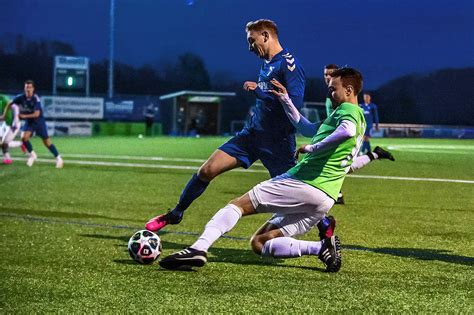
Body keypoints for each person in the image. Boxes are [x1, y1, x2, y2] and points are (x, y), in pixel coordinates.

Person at [159, 67, 366, 272]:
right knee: (260, 242)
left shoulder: (348, 111)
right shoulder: (355, 117)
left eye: (333, 89)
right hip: (325, 198)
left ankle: (198, 248)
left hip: (305, 182)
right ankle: (322, 247)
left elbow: (346, 131)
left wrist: (313, 147)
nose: (329, 93)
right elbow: (306, 128)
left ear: (349, 90)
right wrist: (285, 99)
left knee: (237, 205)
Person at [145, 19, 335, 239]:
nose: (249, 48)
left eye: (251, 41)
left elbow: (295, 104)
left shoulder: (289, 65)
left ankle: (324, 223)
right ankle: (176, 212)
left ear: (266, 35)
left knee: (294, 194)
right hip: (251, 135)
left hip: (278, 143)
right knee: (207, 170)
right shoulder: (266, 63)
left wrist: (259, 92)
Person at [322, 65, 394, 204]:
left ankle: (334, 196)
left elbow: (347, 119)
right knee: (344, 166)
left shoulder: (340, 95)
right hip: (333, 132)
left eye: (331, 74)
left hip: (341, 133)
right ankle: (375, 154)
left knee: (334, 165)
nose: (327, 77)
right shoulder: (331, 94)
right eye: (325, 74)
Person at [9, 80, 63, 168]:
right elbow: (10, 103)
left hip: (39, 122)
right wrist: (7, 113)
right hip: (29, 122)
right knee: (24, 137)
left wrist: (23, 115)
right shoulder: (20, 97)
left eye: (30, 87)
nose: (28, 89)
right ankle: (32, 155)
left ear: (33, 89)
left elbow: (36, 114)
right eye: (26, 87)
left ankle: (59, 158)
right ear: (24, 88)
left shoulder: (36, 98)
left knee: (47, 143)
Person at [0, 94, 23, 164]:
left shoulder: (4, 99)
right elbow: (3, 116)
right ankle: (8, 158)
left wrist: (16, 120)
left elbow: (15, 107)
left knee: (4, 143)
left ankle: (21, 144)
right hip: (5, 124)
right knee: (1, 142)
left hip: (13, 124)